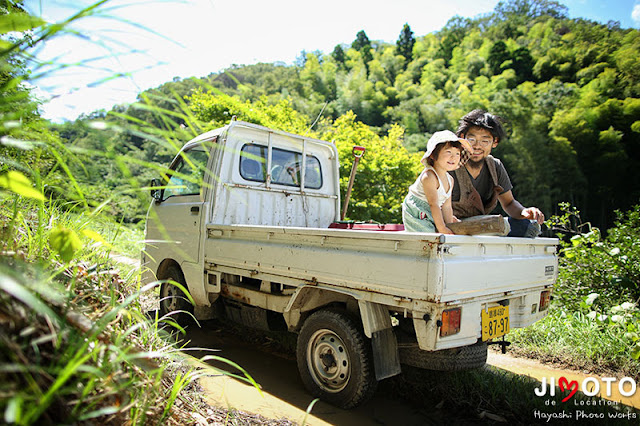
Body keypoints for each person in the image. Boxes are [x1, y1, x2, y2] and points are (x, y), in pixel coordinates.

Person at [450, 109, 544, 237]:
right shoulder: (450, 164)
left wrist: (525, 212)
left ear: (494, 142)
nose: (477, 146)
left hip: (480, 225)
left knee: (528, 226)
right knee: (496, 226)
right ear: (462, 139)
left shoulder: (495, 166)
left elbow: (509, 203)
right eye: (472, 139)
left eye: (485, 141)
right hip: (449, 225)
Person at [402, 130, 471, 234]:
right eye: (448, 152)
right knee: (428, 235)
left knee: (448, 233)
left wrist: (449, 227)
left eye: (457, 153)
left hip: (434, 211)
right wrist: (442, 228)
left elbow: (447, 207)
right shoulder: (429, 176)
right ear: (433, 155)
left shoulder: (450, 180)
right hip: (417, 211)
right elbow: (433, 204)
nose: (453, 157)